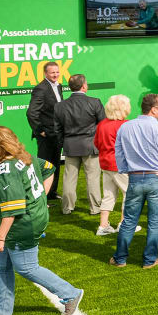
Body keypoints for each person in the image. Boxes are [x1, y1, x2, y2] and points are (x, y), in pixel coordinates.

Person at [0, 126, 83, 315]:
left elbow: (13, 209)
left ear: (0, 145)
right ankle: (0, 311)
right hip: (31, 219)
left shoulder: (8, 168)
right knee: (2, 264)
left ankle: (70, 293)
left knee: (26, 267)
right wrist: (39, 199)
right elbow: (49, 169)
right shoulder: (23, 155)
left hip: (22, 226)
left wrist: (0, 238)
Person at [111, 94, 158, 269]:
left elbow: (119, 152)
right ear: (153, 109)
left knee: (129, 220)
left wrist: (126, 170)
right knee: (155, 221)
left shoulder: (125, 127)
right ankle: (149, 260)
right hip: (157, 178)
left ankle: (120, 258)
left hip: (135, 177)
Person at [54, 73, 105, 217]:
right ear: (84, 86)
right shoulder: (95, 102)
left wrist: (63, 144)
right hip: (90, 146)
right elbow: (103, 125)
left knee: (69, 179)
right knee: (93, 179)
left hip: (70, 146)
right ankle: (95, 208)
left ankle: (67, 207)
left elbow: (57, 130)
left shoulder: (60, 106)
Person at [26, 61, 65, 200]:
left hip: (57, 133)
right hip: (46, 134)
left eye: (57, 72)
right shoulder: (40, 89)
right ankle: (41, 195)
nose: (55, 74)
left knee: (55, 163)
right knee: (45, 165)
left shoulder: (59, 86)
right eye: (52, 72)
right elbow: (31, 112)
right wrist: (39, 130)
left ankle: (52, 193)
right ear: (45, 73)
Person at [95, 95, 132, 236]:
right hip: (120, 165)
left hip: (105, 163)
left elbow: (97, 144)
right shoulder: (125, 125)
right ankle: (124, 224)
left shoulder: (102, 124)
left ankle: (103, 226)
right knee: (129, 194)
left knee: (108, 195)